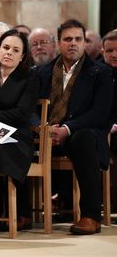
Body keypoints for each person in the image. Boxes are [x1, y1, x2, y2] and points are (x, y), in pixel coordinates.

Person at [36, 19, 113, 235]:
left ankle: (90, 216)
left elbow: (100, 113)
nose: (73, 43)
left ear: (84, 43)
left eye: (78, 39)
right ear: (58, 43)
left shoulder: (100, 72)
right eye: (67, 39)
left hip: (80, 133)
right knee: (17, 139)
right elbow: (31, 107)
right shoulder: (42, 72)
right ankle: (21, 213)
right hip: (46, 134)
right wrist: (44, 129)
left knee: (84, 139)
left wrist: (67, 128)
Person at [0, 29, 39, 230]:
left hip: (16, 136)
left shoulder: (29, 78)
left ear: (22, 56)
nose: (8, 52)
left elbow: (21, 114)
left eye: (15, 50)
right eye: (5, 47)